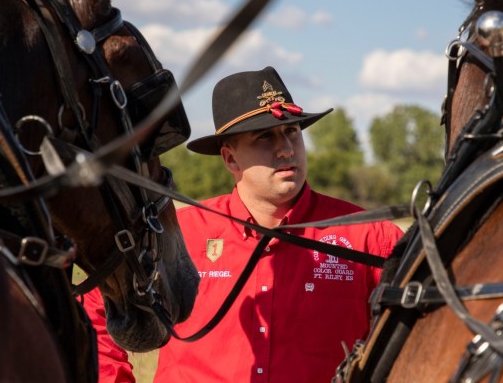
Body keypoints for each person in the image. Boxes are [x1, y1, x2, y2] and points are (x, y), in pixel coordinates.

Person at [83, 66, 403, 382]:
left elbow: (416, 334)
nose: (286, 149)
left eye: (292, 132)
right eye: (265, 137)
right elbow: (97, 317)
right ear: (230, 159)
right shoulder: (176, 234)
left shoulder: (370, 238)